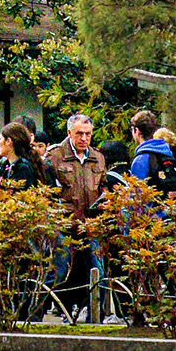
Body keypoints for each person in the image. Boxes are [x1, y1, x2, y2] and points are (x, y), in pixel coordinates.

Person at [41, 112, 109, 315]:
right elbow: (46, 192)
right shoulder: (54, 157)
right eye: (79, 133)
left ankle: (97, 314)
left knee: (98, 270)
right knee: (59, 272)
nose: (84, 138)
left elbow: (104, 185)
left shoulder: (97, 158)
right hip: (64, 225)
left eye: (88, 134)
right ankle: (46, 310)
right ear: (69, 132)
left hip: (91, 225)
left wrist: (106, 198)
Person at [127, 109, 176, 196]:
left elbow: (137, 196)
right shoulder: (167, 152)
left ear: (137, 131)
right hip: (170, 208)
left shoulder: (141, 159)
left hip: (151, 208)